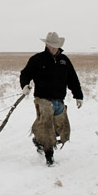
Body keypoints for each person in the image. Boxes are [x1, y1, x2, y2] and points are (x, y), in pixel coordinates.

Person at [19, 31, 84, 166]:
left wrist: (78, 95)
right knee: (47, 127)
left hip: (59, 99)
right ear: (46, 45)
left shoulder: (64, 61)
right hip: (43, 99)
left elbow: (72, 79)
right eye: (50, 45)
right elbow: (25, 73)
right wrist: (25, 85)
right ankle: (50, 158)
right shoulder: (37, 59)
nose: (53, 48)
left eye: (55, 45)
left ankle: (38, 140)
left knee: (60, 127)